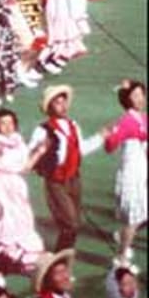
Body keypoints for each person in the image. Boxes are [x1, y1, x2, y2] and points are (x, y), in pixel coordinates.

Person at [31, 84, 96, 254]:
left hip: (74, 178)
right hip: (55, 180)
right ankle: (57, 261)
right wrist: (41, 153)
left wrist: (101, 137)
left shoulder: (73, 125)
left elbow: (81, 149)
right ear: (49, 106)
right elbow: (32, 152)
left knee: (73, 226)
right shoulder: (43, 129)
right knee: (70, 223)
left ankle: (63, 260)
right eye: (58, 102)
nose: (63, 106)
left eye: (64, 102)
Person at [100, 78, 146, 261]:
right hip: (131, 172)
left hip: (142, 170)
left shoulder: (143, 118)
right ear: (127, 99)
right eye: (135, 95)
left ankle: (124, 237)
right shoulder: (126, 121)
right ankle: (121, 257)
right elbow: (111, 146)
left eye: (142, 94)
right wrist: (108, 136)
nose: (140, 98)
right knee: (133, 217)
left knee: (139, 215)